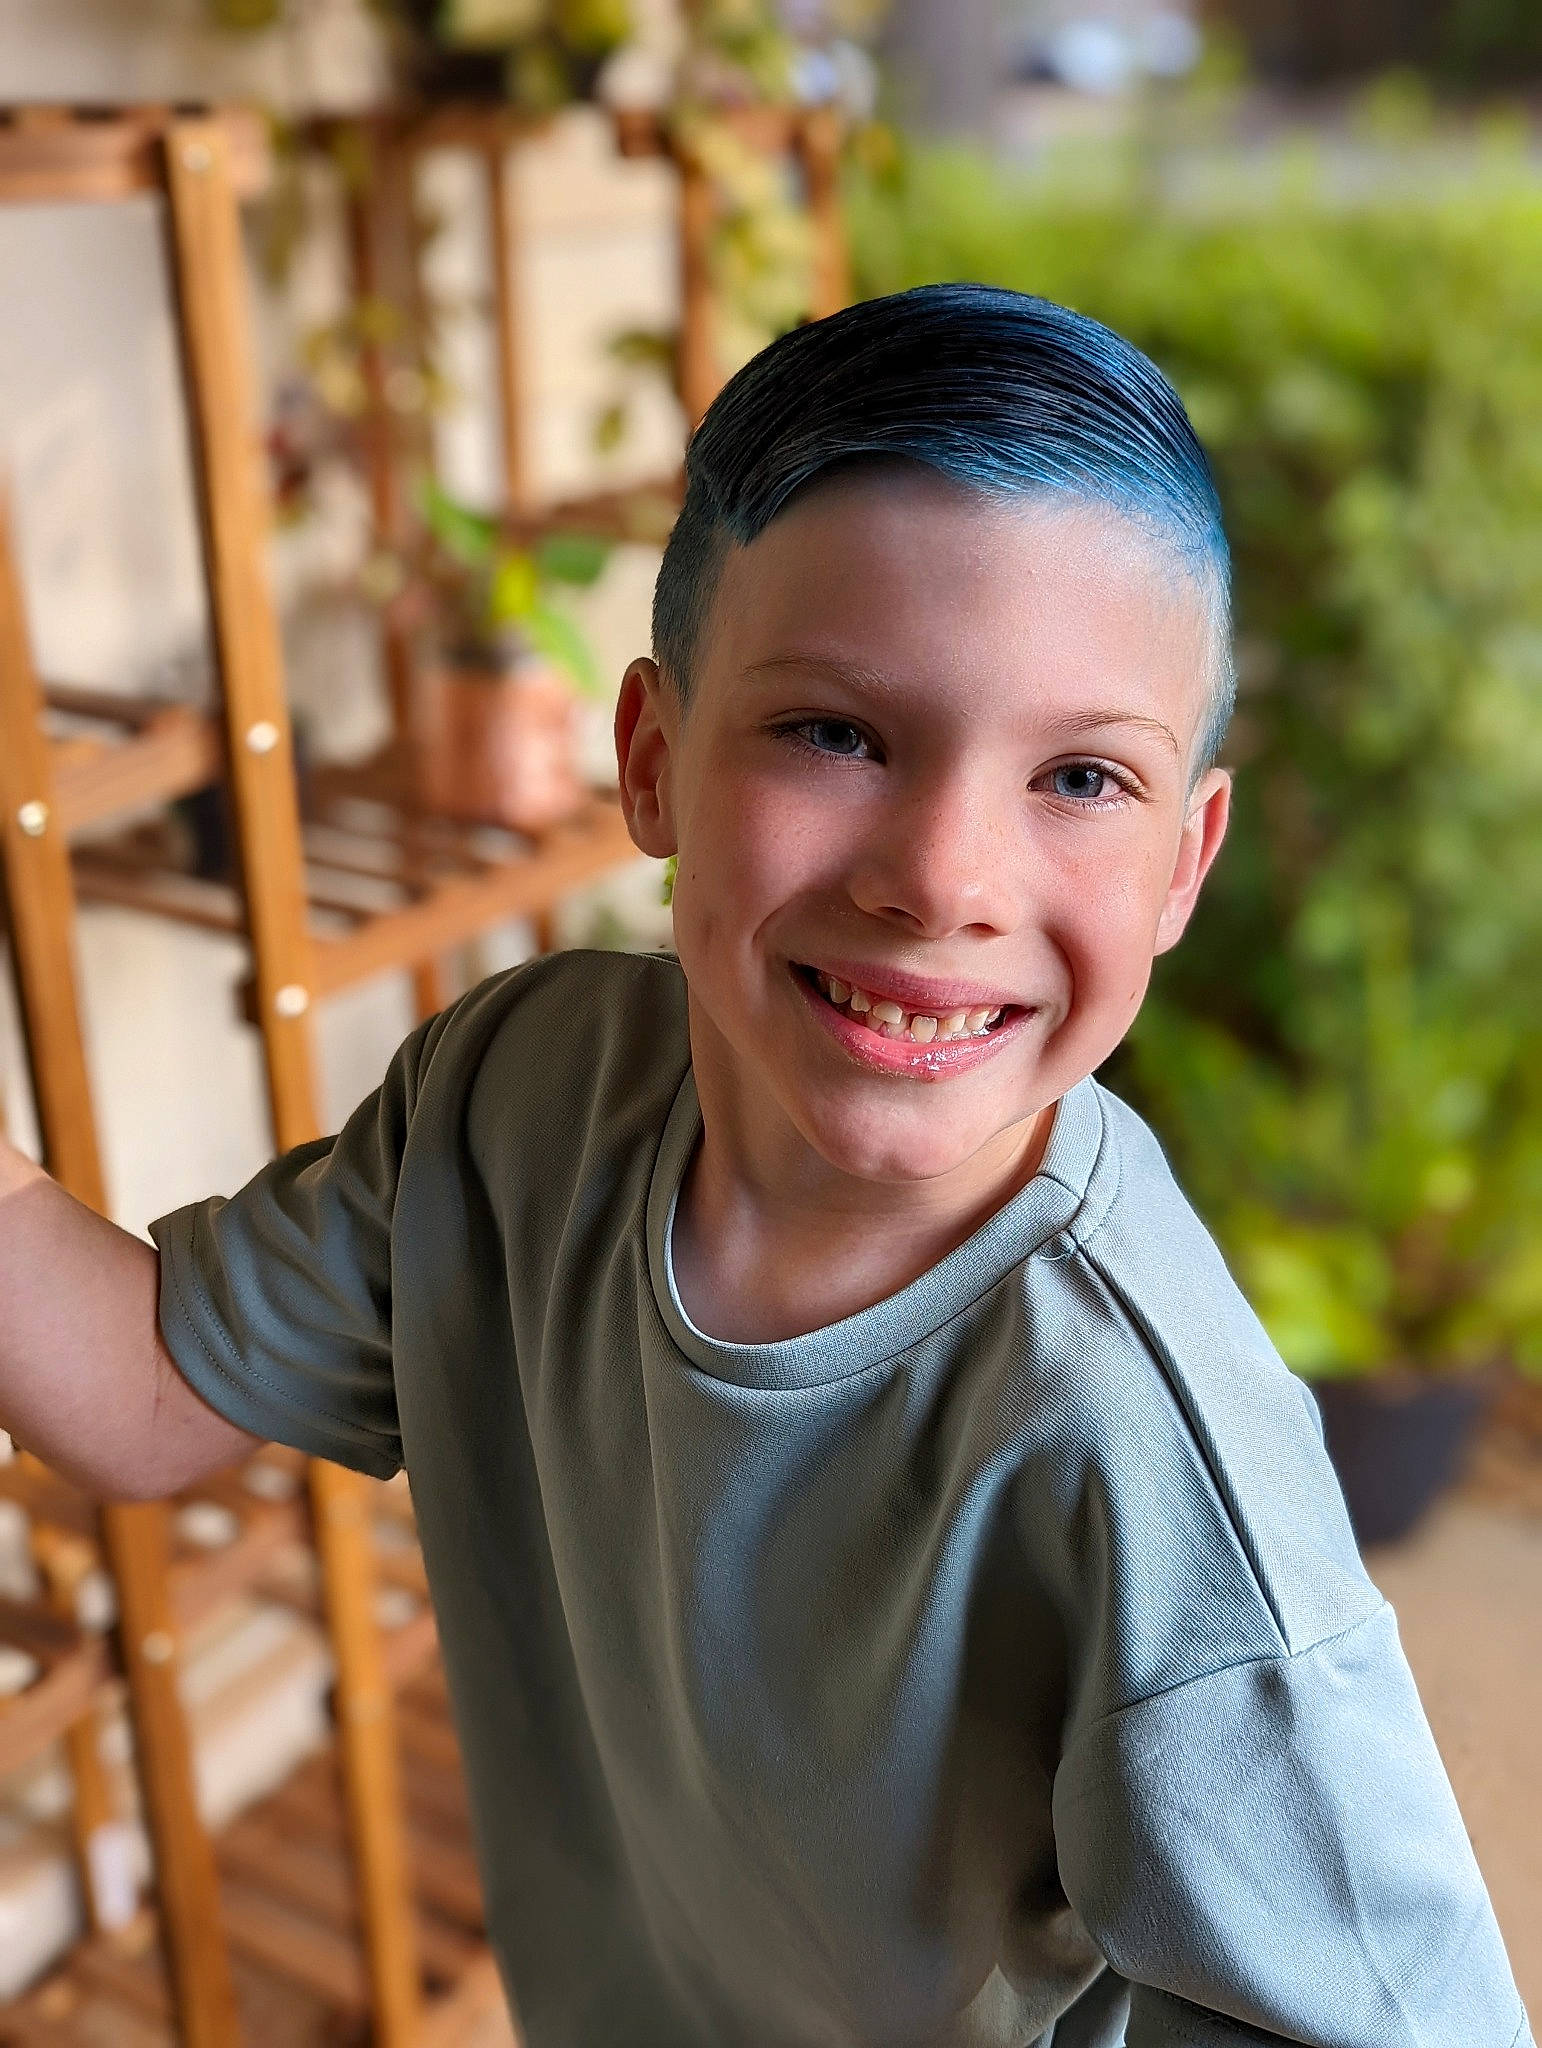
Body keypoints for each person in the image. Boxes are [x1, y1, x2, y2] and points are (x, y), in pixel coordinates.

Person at [0, 285, 1530, 2048]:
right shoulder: (512, 1096)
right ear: (651, 762)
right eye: (835, 735)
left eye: (1080, 778)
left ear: (1184, 866)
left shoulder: (1146, 1454)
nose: (941, 876)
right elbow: (140, 1388)